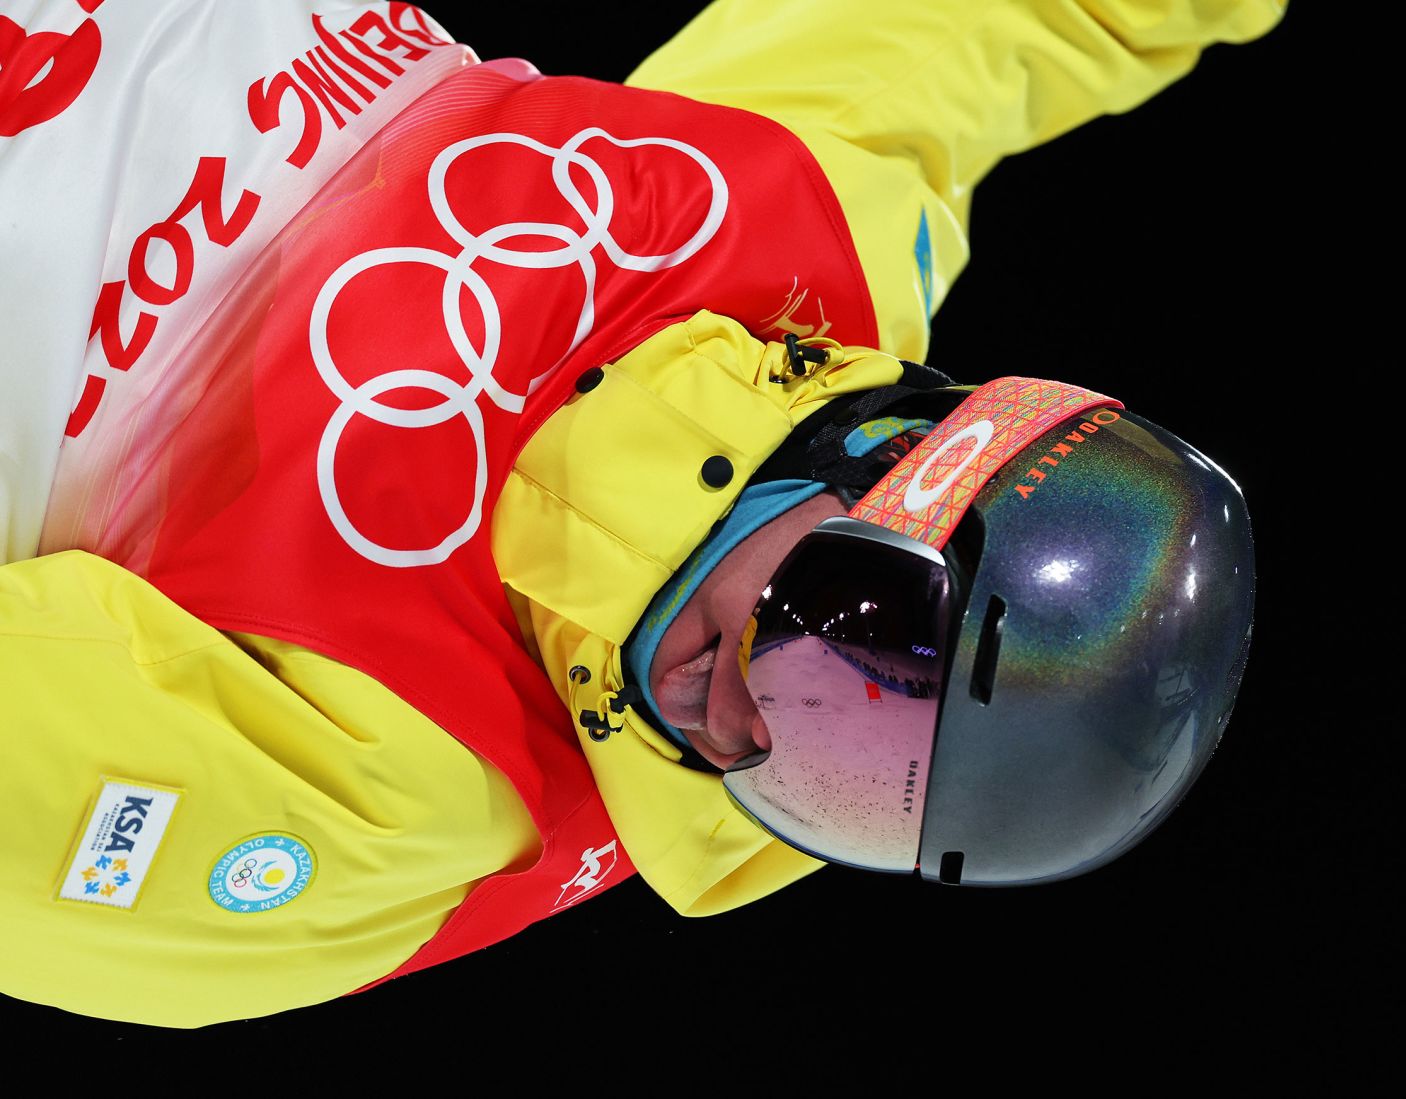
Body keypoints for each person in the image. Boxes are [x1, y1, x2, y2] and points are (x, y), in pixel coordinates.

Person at [0, 0, 1283, 1026]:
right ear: (896, 463)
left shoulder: (369, 803)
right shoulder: (803, 234)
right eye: (841, 651)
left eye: (825, 787)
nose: (737, 723)